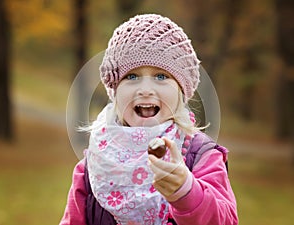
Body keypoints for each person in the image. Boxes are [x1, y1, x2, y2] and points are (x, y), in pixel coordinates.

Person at [60, 14, 238, 225]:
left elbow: (225, 220)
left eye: (161, 76)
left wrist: (187, 191)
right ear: (115, 92)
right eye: (132, 76)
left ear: (181, 92)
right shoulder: (92, 165)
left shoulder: (201, 155)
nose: (145, 90)